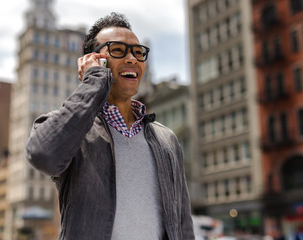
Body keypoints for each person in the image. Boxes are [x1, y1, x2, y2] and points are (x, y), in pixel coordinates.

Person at [25, 12, 194, 240]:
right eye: (117, 50)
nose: (132, 58)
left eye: (138, 52)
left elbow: (182, 221)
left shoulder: (166, 139)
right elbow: (43, 155)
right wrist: (94, 81)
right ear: (94, 61)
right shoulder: (73, 130)